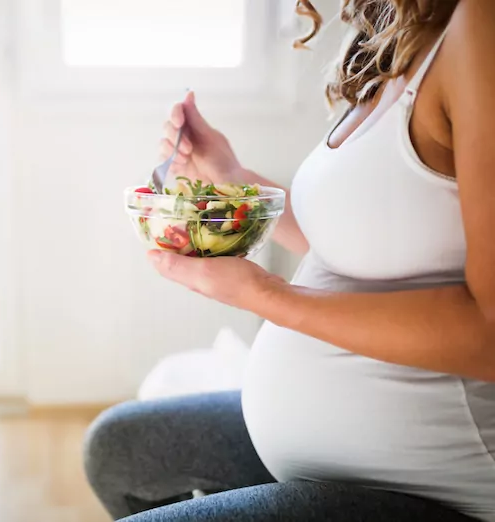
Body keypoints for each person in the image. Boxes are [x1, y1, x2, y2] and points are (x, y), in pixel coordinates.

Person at [84, 0, 495, 520]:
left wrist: (265, 294)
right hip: (336, 457)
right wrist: (229, 172)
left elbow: (490, 331)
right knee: (117, 451)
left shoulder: (480, 26)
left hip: (435, 487)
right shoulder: (401, 35)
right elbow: (352, 238)